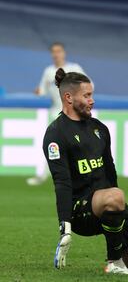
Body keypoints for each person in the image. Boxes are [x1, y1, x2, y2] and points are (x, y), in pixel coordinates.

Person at [43, 68, 128, 274]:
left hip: (109, 202)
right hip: (80, 211)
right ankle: (114, 263)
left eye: (91, 94)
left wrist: (121, 213)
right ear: (68, 97)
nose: (92, 100)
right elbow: (62, 182)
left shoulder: (100, 129)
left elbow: (110, 173)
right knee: (115, 196)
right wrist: (64, 227)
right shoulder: (56, 134)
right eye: (87, 95)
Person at [27, 42, 86, 186]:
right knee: (53, 146)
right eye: (53, 51)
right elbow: (42, 90)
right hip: (56, 114)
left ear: (64, 53)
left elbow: (88, 85)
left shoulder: (74, 68)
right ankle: (43, 175)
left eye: (58, 51)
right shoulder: (48, 71)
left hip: (74, 115)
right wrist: (38, 92)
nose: (56, 54)